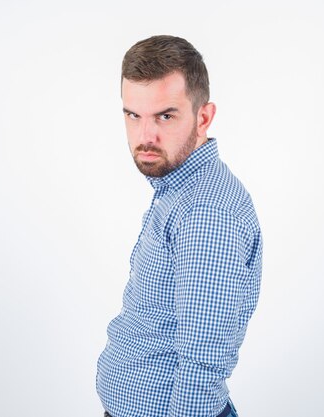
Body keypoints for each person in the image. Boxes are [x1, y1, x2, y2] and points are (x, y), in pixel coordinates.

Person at [96, 35, 263, 417]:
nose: (145, 136)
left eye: (165, 116)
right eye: (133, 115)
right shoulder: (177, 187)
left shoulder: (204, 213)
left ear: (203, 117)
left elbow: (202, 366)